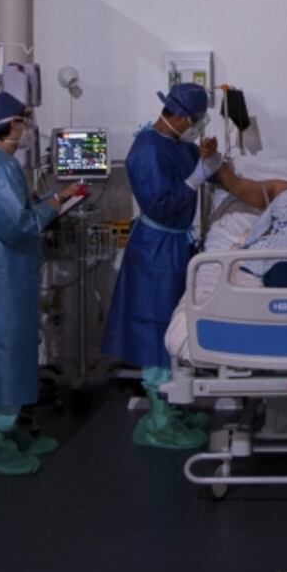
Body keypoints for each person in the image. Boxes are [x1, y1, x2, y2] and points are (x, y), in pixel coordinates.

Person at [0, 92, 79, 476]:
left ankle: (8, 429)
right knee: (4, 346)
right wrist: (52, 207)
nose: (27, 129)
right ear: (12, 125)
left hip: (2, 264)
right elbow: (18, 225)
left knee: (8, 342)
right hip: (4, 268)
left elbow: (11, 211)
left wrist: (55, 198)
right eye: (24, 122)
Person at [100, 83, 221, 449]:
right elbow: (161, 205)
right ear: (182, 117)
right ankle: (158, 419)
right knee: (155, 328)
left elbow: (199, 164)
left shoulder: (177, 144)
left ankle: (172, 403)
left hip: (176, 246)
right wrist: (197, 178)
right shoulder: (146, 150)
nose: (198, 127)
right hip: (155, 249)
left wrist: (208, 157)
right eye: (197, 121)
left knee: (174, 323)